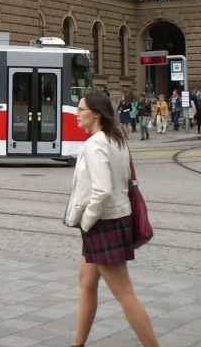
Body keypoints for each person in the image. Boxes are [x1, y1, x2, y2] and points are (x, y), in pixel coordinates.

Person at [65, 91, 159, 347]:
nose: (76, 113)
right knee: (87, 281)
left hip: (103, 222)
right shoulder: (116, 139)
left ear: (96, 113)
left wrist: (86, 222)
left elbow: (102, 190)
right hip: (116, 217)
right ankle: (77, 343)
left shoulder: (95, 144)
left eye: (81, 109)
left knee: (124, 292)